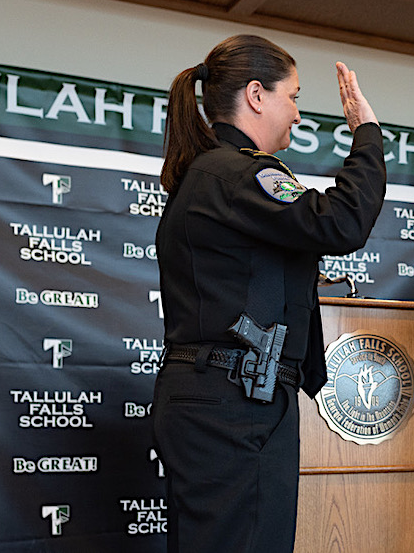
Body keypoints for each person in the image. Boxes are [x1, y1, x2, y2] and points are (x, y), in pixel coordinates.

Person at [152, 34, 386, 553]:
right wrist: (367, 135)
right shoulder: (238, 173)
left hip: (222, 397)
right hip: (234, 404)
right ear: (256, 95)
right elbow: (341, 222)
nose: (298, 114)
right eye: (294, 97)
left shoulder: (211, 172)